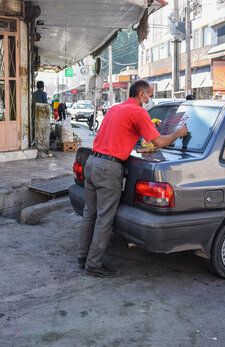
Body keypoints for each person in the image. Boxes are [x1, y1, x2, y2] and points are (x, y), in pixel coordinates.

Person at [78, 79, 188, 278]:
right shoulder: (138, 112)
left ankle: (82, 257)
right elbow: (160, 142)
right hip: (108, 168)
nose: (150, 99)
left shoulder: (114, 109)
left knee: (90, 213)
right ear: (141, 94)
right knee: (104, 219)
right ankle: (93, 265)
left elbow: (120, 135)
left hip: (92, 162)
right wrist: (178, 133)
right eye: (150, 95)